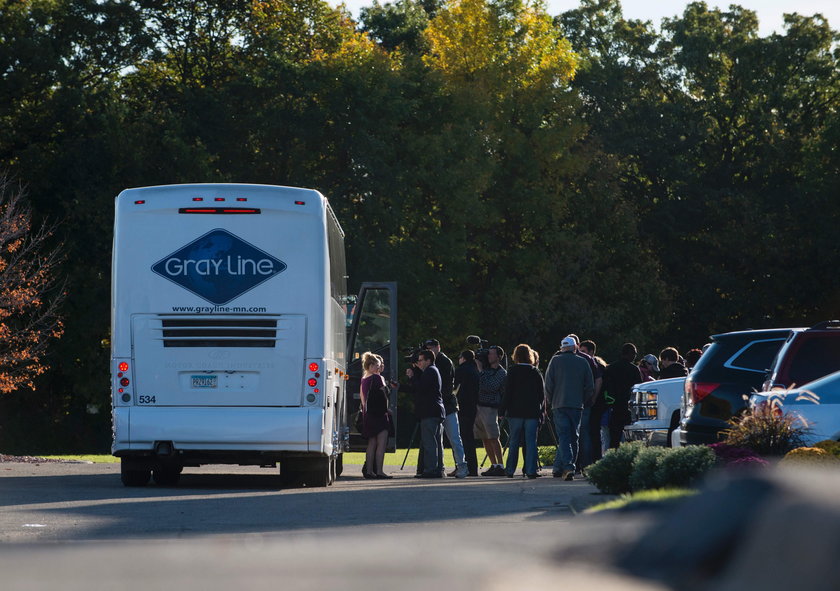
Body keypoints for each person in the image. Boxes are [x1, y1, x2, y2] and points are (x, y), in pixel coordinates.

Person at [544, 336, 594, 480]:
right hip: (577, 405)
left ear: (562, 348)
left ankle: (567, 467)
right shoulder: (583, 362)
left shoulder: (555, 361)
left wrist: (552, 400)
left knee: (564, 437)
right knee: (574, 437)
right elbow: (589, 386)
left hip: (559, 404)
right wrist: (582, 400)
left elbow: (548, 385)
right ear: (575, 347)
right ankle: (570, 466)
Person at [499, 344, 545, 478]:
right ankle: (531, 470)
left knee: (514, 441)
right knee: (531, 441)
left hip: (515, 412)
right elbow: (541, 395)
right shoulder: (535, 371)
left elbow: (508, 393)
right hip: (532, 412)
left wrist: (502, 410)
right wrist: (541, 411)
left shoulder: (512, 371)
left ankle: (510, 470)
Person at [425, 339, 468, 479]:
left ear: (438, 347)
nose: (430, 349)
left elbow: (447, 387)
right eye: (428, 348)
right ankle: (441, 467)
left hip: (447, 405)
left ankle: (461, 465)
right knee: (440, 439)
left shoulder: (444, 362)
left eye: (432, 347)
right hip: (440, 405)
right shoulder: (432, 363)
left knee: (454, 438)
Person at [408, 349, 446, 478]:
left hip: (430, 411)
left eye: (420, 360)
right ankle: (439, 469)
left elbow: (420, 388)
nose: (418, 363)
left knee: (429, 442)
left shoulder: (430, 371)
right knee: (437, 442)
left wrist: (412, 377)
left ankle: (430, 470)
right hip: (436, 411)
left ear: (428, 360)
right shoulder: (433, 370)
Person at [604, 343, 643, 448]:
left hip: (614, 406)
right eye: (634, 353)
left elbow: (606, 386)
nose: (635, 356)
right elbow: (638, 387)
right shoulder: (634, 369)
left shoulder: (611, 368)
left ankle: (614, 458)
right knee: (631, 437)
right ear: (629, 353)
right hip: (629, 407)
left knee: (614, 438)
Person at [360, 352, 392, 479]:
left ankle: (369, 471)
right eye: (378, 366)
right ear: (372, 365)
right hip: (379, 414)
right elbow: (384, 396)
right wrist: (387, 410)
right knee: (381, 443)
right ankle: (379, 470)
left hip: (368, 414)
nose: (379, 368)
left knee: (371, 444)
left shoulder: (364, 379)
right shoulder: (378, 378)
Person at [476, 346, 507, 476]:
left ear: (499, 357)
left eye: (492, 354)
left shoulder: (501, 372)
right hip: (480, 406)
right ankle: (493, 465)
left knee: (493, 437)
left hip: (491, 407)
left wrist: (480, 370)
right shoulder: (487, 371)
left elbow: (491, 387)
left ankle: (500, 465)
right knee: (485, 438)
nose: (489, 356)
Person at [580, 339, 607, 465]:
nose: (580, 353)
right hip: (590, 402)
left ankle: (594, 460)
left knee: (592, 433)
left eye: (583, 351)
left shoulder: (598, 366)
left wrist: (593, 399)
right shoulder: (594, 364)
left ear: (591, 352)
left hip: (596, 404)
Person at [454, 349, 480, 476]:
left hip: (462, 406)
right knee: (469, 437)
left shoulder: (461, 370)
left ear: (463, 358)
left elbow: (454, 388)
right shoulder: (475, 371)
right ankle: (473, 467)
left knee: (461, 437)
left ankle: (464, 465)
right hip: (473, 407)